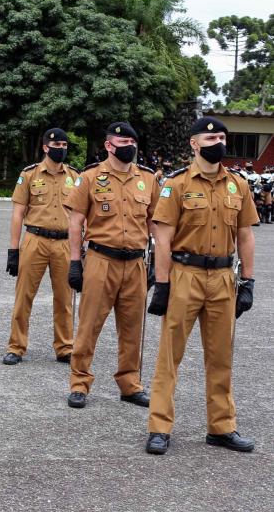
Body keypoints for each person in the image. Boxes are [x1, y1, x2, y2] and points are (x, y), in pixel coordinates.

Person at [144, 117, 258, 455]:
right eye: (210, 137)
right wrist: (161, 285)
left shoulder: (238, 184)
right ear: (194, 143)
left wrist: (248, 281)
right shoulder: (175, 184)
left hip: (223, 278)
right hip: (184, 275)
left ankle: (221, 427)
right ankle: (160, 427)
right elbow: (162, 239)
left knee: (222, 356)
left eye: (222, 136)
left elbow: (246, 235)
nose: (218, 142)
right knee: (170, 356)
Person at [63, 122, 159, 409]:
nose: (128, 145)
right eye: (122, 140)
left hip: (135, 264)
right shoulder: (90, 177)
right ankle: (79, 383)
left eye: (132, 140)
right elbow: (76, 222)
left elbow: (154, 223)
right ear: (108, 145)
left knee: (132, 328)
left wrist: (157, 262)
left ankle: (130, 384)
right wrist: (75, 262)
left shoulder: (148, 179)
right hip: (101, 261)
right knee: (89, 325)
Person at [3, 128, 79, 365]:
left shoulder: (75, 177)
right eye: (57, 146)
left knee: (65, 298)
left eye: (65, 146)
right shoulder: (29, 175)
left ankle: (65, 347)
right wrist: (13, 250)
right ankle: (16, 346)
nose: (62, 150)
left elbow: (81, 215)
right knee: (24, 295)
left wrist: (81, 249)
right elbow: (18, 214)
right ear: (46, 147)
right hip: (35, 240)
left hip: (64, 243)